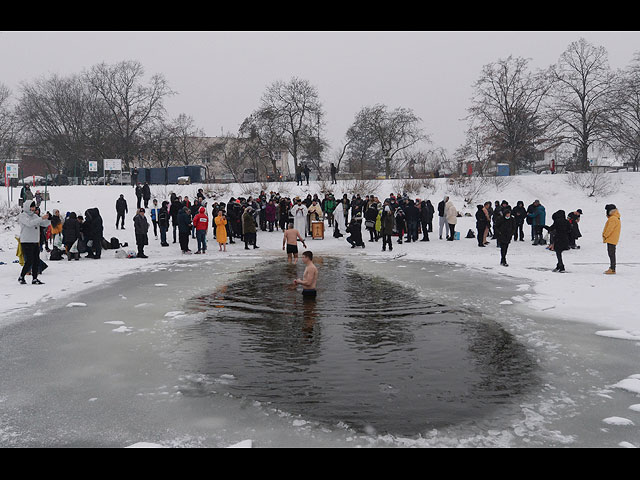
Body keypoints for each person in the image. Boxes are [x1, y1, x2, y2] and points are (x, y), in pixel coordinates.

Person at [17, 202, 51, 285]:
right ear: (27, 207)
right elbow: (29, 223)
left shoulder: (35, 216)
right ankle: (21, 276)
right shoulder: (23, 216)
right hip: (26, 241)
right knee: (29, 260)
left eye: (34, 207)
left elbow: (43, 223)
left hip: (35, 241)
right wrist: (41, 218)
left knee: (36, 260)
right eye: (31, 207)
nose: (33, 209)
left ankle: (35, 278)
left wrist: (49, 219)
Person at [602, 204, 621, 275]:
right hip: (613, 238)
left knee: (611, 253)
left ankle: (612, 268)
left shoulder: (613, 219)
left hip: (611, 238)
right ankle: (612, 268)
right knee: (611, 253)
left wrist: (605, 235)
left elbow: (610, 229)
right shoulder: (616, 217)